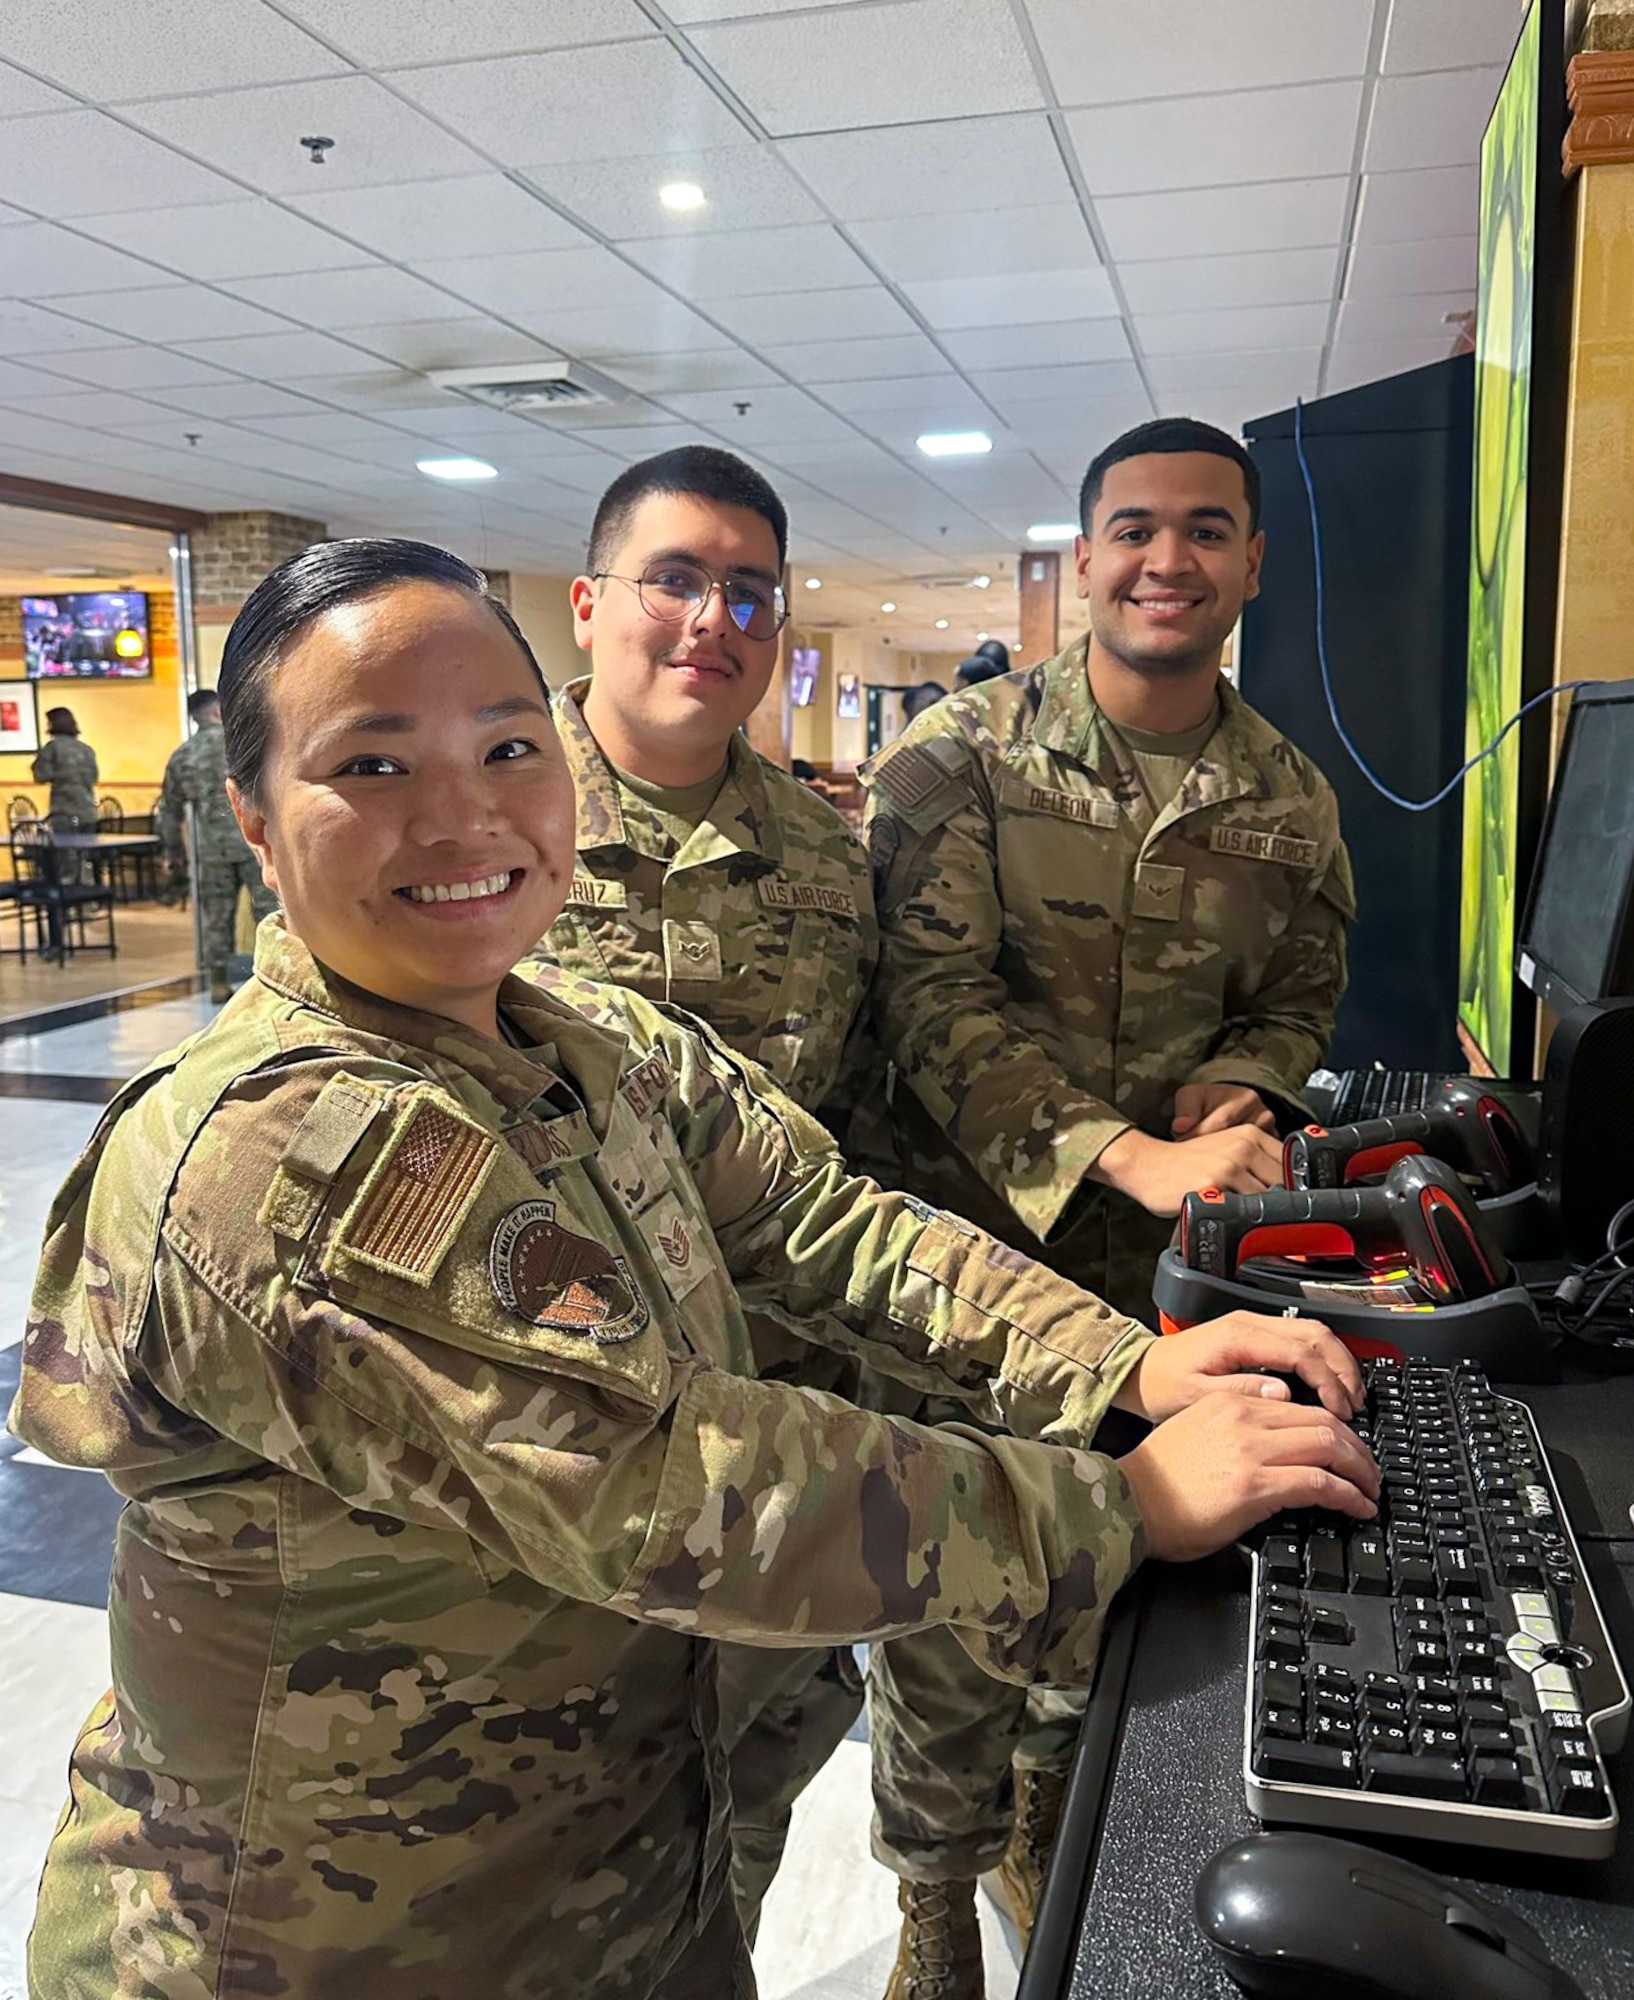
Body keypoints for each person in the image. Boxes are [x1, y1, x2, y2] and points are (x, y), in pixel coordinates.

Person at [10, 536, 1378, 2000]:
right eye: (374, 766)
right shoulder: (300, 1158)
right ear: (254, 817)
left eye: (506, 745)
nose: (465, 813)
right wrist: (1115, 1506)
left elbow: (824, 1221)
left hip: (613, 1876)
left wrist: (1119, 1363)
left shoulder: (573, 1030)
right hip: (328, 1942)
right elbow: (672, 1490)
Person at [860, 416, 1357, 1992]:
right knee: (950, 1606)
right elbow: (927, 1005)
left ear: (1251, 564)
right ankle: (931, 1913)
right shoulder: (963, 758)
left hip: (1166, 1298)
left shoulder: (1287, 800)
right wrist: (1124, 1151)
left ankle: (1050, 1846)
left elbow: (1300, 999)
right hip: (973, 1265)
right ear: (1083, 561)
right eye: (1133, 529)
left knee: (1113, 1597)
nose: (1168, 559)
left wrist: (1249, 1089)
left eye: (1205, 530)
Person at [513, 446, 881, 1929]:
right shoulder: (484, 817)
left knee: (750, 1775)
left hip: (764, 1424)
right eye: (673, 578)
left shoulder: (824, 854)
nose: (709, 618)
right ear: (592, 603)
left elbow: (845, 1138)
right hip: (542, 1439)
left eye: (747, 591)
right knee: (545, 1850)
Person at [156, 686, 278, 1002]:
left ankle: (218, 982)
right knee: (268, 910)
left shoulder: (182, 755)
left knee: (217, 915)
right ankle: (274, 981)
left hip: (210, 852)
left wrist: (173, 852)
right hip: (256, 845)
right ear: (218, 712)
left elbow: (168, 810)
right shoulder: (239, 747)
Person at [32, 705, 98, 881]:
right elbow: (94, 777)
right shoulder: (86, 749)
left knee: (65, 859)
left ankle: (68, 898)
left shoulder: (52, 748)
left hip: (64, 812)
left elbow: (41, 775)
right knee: (84, 856)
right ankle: (88, 894)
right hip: (87, 810)